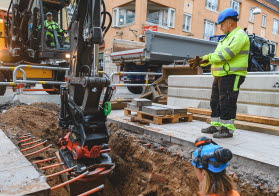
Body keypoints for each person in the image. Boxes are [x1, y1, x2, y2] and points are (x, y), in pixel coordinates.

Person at [189, 8, 250, 138]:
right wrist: (202, 61)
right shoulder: (226, 38)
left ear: (229, 22)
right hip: (220, 75)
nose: (220, 27)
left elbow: (226, 55)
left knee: (227, 101)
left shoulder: (239, 35)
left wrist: (207, 59)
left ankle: (227, 129)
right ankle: (216, 125)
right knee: (215, 101)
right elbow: (216, 55)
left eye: (221, 24)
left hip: (232, 75)